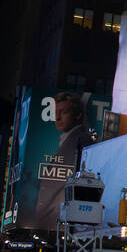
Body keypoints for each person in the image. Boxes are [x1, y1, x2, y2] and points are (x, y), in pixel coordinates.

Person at [34, 92, 97, 227]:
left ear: (78, 115)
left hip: (60, 219)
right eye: (55, 112)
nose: (56, 117)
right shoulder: (68, 139)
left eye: (63, 112)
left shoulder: (81, 140)